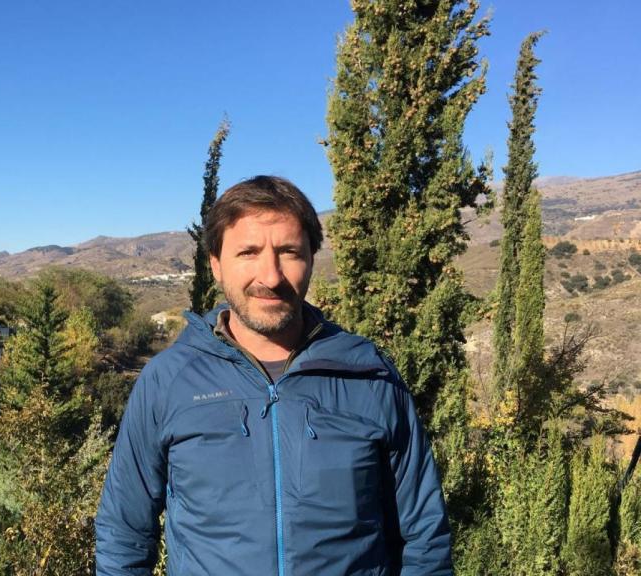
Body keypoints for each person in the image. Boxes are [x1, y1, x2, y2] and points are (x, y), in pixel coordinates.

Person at [95, 176, 451, 575]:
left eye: (289, 252)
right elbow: (125, 534)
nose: (270, 276)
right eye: (248, 252)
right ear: (215, 264)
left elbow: (424, 534)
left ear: (312, 259)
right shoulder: (168, 381)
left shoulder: (369, 375)